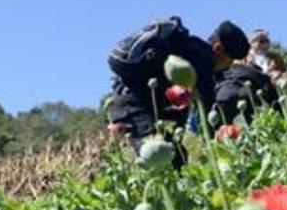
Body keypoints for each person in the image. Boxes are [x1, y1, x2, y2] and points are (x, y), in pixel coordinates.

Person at [105, 18, 248, 167]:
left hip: (132, 102)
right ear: (218, 48)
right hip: (132, 106)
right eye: (229, 61)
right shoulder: (202, 60)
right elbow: (208, 112)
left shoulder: (187, 49)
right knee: (169, 159)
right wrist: (228, 142)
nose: (228, 67)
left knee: (175, 154)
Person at [212, 34, 282, 127]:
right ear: (251, 43)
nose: (265, 44)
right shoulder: (242, 57)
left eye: (267, 41)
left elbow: (286, 73)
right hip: (246, 92)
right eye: (261, 41)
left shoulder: (275, 57)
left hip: (268, 90)